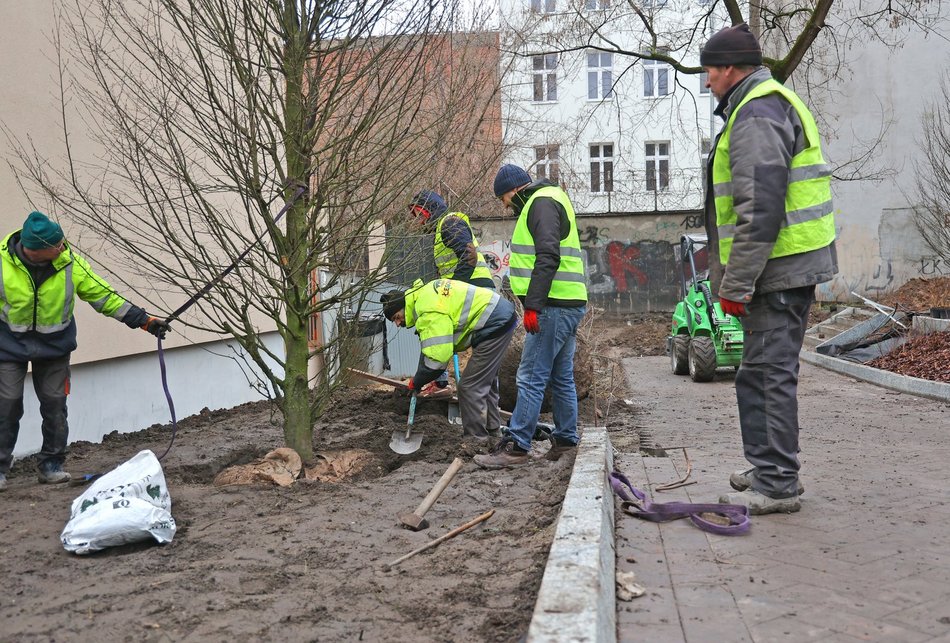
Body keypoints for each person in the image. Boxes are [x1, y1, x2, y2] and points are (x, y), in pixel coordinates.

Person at [699, 24, 838, 514]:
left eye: (710, 71)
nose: (708, 81)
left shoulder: (757, 111)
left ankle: (778, 483)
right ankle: (768, 467)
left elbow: (760, 207)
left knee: (768, 375)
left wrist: (736, 283)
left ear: (730, 68)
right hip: (780, 266)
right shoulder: (758, 105)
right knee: (756, 374)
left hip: (776, 270)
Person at [0, 211, 171, 491]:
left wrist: (145, 322)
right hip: (8, 346)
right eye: (58, 245)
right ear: (38, 249)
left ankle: (51, 466)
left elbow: (104, 295)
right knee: (5, 406)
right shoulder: (2, 263)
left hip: (54, 346)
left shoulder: (69, 263)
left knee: (55, 405)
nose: (64, 247)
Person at [473, 165, 588, 469]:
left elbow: (548, 255)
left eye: (504, 198)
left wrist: (534, 305)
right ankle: (565, 440)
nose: (505, 205)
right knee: (560, 375)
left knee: (531, 375)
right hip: (567, 302)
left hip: (553, 305)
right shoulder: (551, 199)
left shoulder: (541, 203)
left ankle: (518, 446)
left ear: (514, 190)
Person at [380, 278, 516, 444]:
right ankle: (493, 432)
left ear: (403, 306)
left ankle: (475, 442)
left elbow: (437, 361)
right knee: (483, 381)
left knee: (469, 386)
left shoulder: (427, 312)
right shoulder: (424, 296)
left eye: (396, 317)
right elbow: (430, 352)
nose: (398, 323)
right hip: (498, 316)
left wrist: (417, 381)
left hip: (493, 323)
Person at [408, 190, 495, 289]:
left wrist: (451, 288)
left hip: (474, 287)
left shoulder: (449, 224)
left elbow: (469, 257)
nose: (420, 222)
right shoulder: (441, 230)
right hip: (471, 286)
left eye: (420, 215)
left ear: (430, 211)